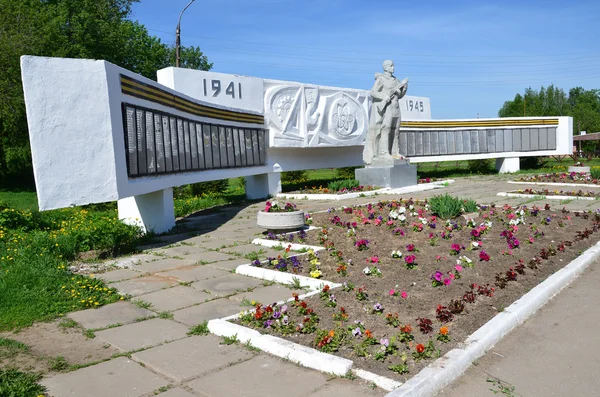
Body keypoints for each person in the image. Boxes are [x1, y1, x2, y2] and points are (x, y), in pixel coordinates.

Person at [363, 60, 408, 164]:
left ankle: (395, 152)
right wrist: (384, 96)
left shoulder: (396, 80)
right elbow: (373, 92)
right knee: (386, 128)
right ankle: (384, 152)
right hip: (387, 107)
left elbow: (400, 96)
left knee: (395, 130)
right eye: (391, 66)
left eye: (393, 66)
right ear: (386, 68)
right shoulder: (381, 79)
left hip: (396, 108)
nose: (393, 68)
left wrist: (404, 88)